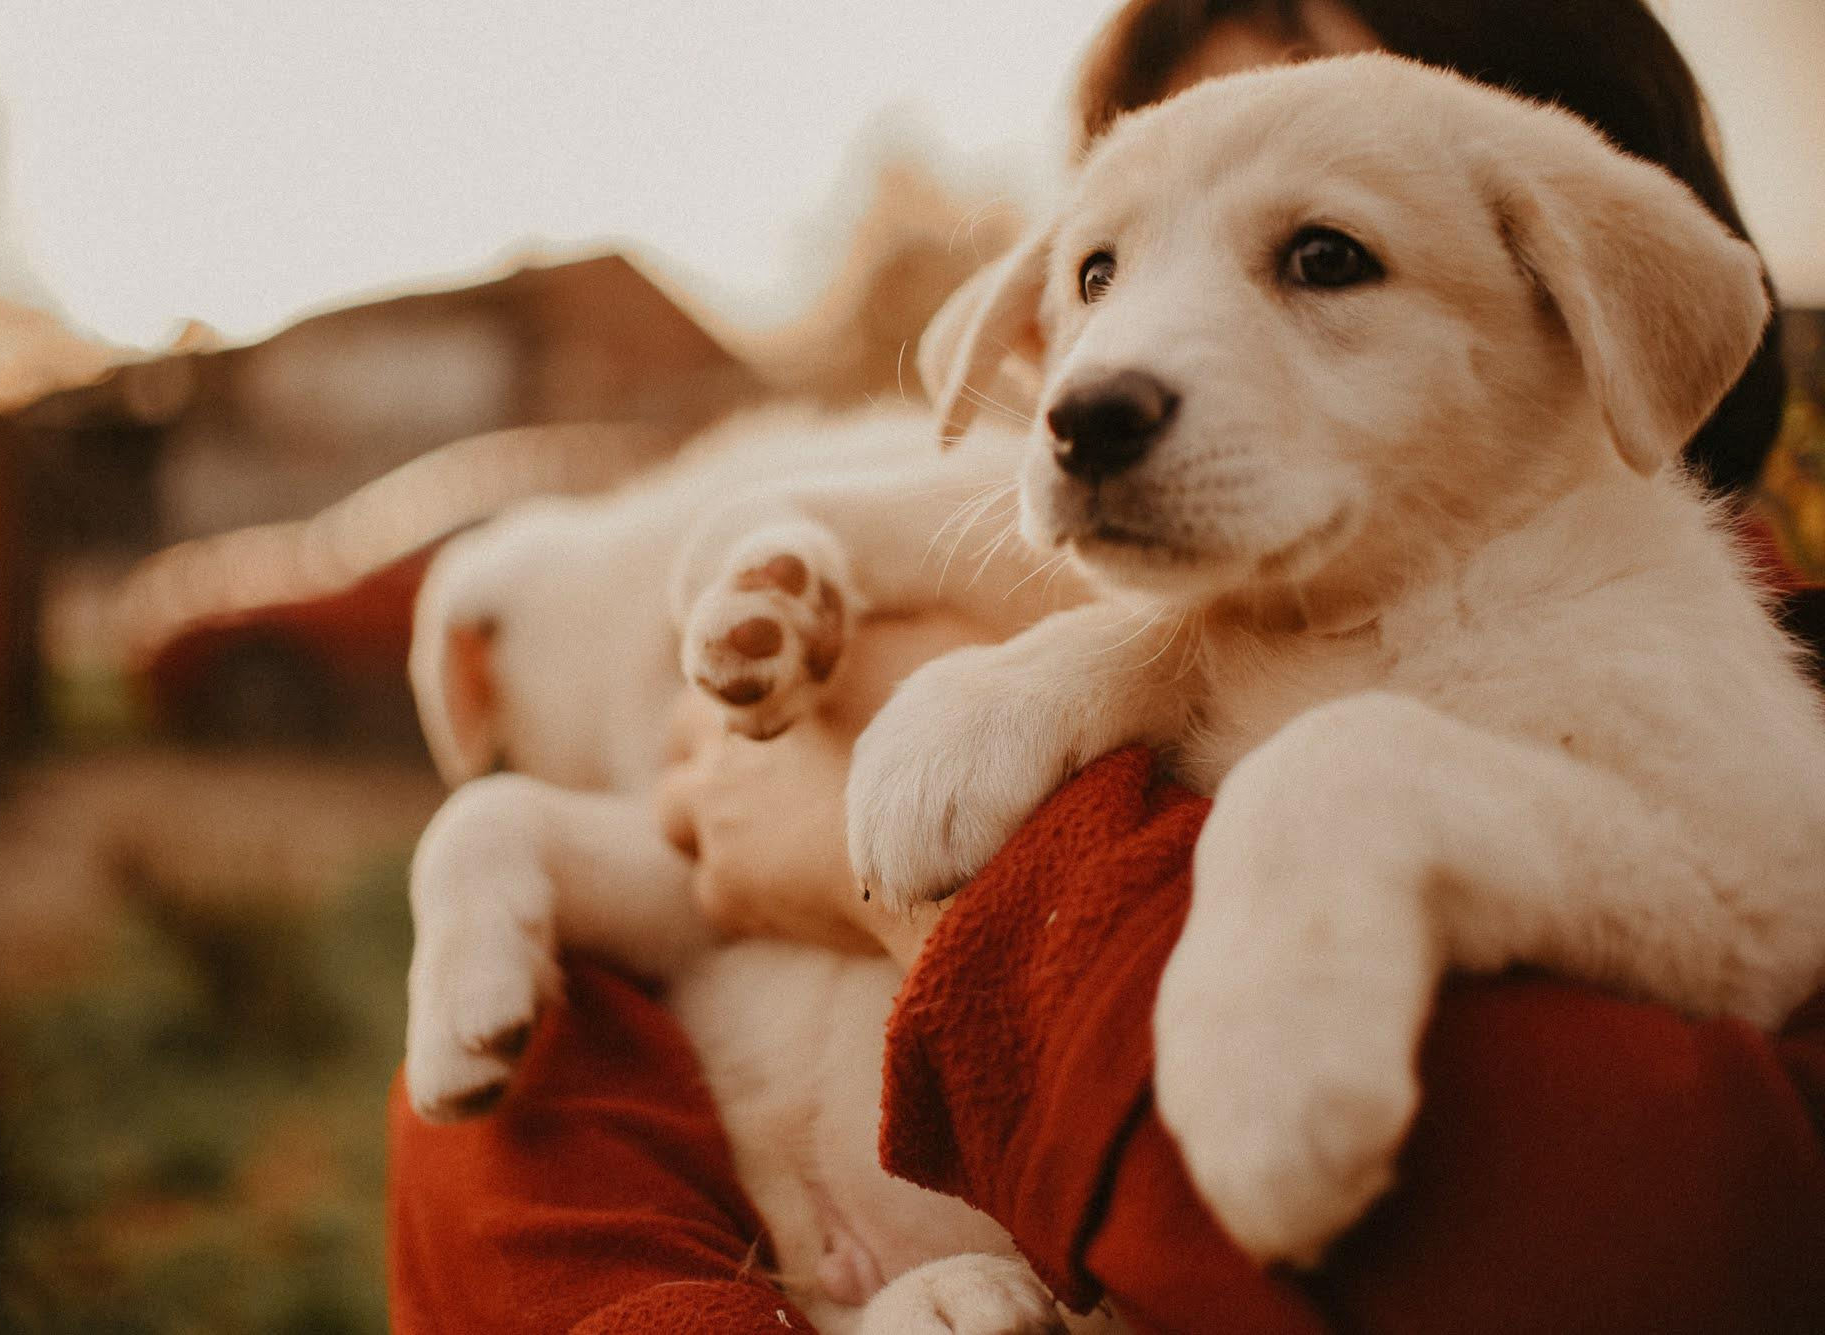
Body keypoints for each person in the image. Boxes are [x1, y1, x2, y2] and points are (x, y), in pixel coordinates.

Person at [388, 2, 1824, 1330]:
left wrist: (964, 898)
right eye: (1099, 269)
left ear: (1579, 291)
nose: (1113, 367)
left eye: (1322, 253)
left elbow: (1720, 1052)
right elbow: (521, 1183)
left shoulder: (1658, 654)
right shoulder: (1149, 651)